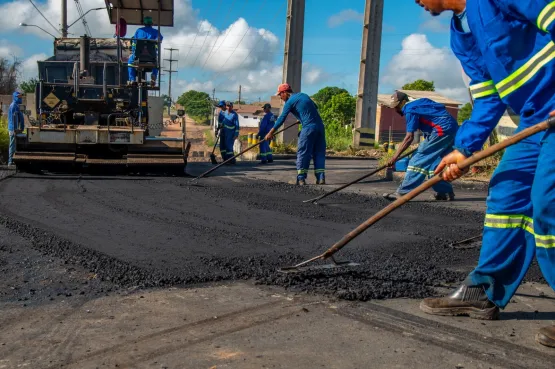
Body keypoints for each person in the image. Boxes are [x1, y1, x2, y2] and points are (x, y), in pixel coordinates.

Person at [415, 0, 555, 348]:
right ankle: (484, 289)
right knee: (506, 193)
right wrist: (464, 148)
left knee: (548, 202)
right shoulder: (460, 34)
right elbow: (489, 95)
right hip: (534, 119)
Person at [383, 91, 458, 201]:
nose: (396, 110)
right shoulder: (421, 102)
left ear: (404, 102)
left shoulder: (409, 109)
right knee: (435, 166)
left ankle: (403, 193)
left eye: (397, 106)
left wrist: (395, 157)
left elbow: (409, 137)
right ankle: (445, 193)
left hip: (441, 130)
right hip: (452, 129)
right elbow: (435, 116)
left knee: (418, 158)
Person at [265, 83, 326, 185]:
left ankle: (301, 179)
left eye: (280, 94)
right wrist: (301, 117)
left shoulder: (289, 102)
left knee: (303, 152)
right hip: (320, 127)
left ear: (285, 92)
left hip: (308, 128)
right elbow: (314, 106)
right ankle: (321, 178)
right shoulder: (303, 95)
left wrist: (271, 132)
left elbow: (281, 119)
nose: (280, 97)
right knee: (319, 153)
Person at [127, 16, 163, 86]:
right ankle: (153, 77)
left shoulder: (139, 30)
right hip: (152, 56)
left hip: (138, 56)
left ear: (144, 23)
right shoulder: (156, 32)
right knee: (156, 63)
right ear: (152, 24)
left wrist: (134, 51)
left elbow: (134, 42)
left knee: (130, 62)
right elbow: (160, 40)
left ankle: (132, 79)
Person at [8, 91, 24, 166]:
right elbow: (13, 118)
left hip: (16, 128)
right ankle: (10, 161)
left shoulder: (17, 105)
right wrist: (15, 129)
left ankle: (14, 160)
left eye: (21, 97)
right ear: (15, 97)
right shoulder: (14, 105)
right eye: (19, 97)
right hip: (13, 129)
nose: (20, 98)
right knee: (12, 144)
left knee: (15, 144)